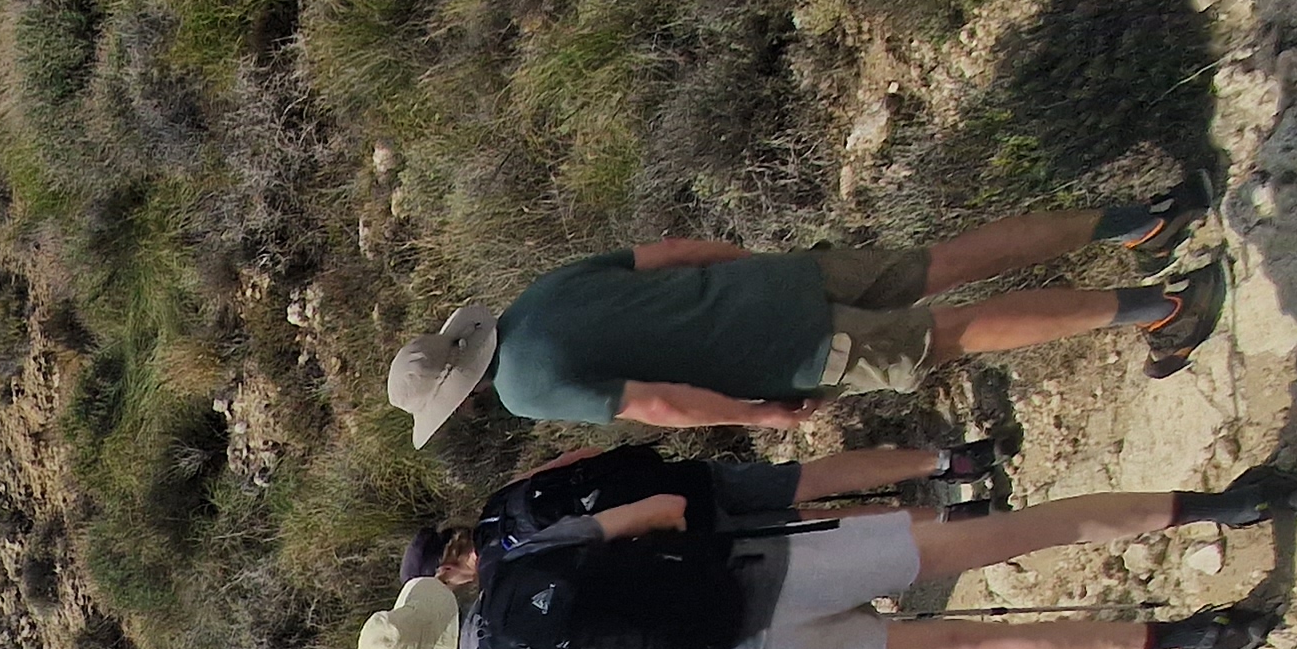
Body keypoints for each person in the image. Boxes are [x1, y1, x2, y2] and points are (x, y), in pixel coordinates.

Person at [445, 465, 1297, 649]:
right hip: (757, 567)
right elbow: (666, 507)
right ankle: (1224, 507)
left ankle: (1192, 635)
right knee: (1008, 534)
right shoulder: (519, 557)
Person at [383, 183, 1220, 444]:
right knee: (952, 258)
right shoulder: (542, 292)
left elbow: (662, 405)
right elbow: (673, 252)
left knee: (956, 332)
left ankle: (1165, 308)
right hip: (783, 283)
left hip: (790, 348)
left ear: (456, 395)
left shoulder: (528, 390)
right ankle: (1145, 222)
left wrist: (761, 414)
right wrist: (758, 270)